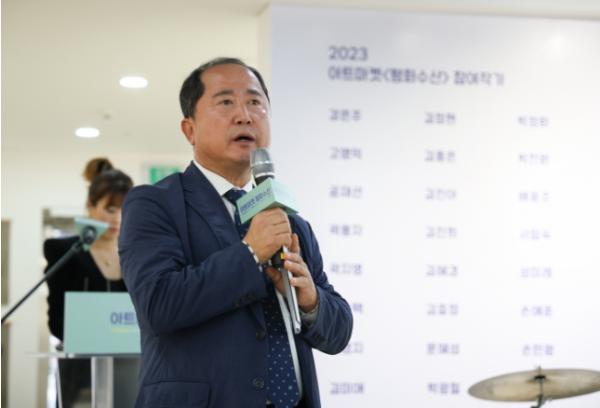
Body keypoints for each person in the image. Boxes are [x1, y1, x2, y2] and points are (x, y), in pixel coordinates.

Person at [119, 57, 353, 408]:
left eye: (255, 102)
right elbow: (159, 305)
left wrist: (310, 302)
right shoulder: (155, 203)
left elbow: (338, 333)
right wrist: (250, 253)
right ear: (189, 129)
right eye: (226, 102)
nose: (244, 115)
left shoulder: (290, 222)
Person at [44, 157, 133, 406]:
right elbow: (57, 322)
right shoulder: (64, 251)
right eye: (111, 209)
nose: (118, 219)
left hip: (131, 369)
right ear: (90, 206)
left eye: (125, 209)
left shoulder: (137, 254)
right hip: (79, 371)